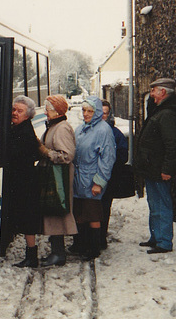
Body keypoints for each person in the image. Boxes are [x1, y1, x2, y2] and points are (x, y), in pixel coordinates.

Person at [134, 78, 176, 254]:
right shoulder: (161, 110)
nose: (151, 94)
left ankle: (164, 242)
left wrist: (167, 170)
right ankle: (156, 237)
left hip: (159, 170)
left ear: (163, 92)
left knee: (162, 204)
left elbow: (173, 145)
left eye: (154, 91)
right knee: (154, 204)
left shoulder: (168, 114)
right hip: (152, 168)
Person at [71, 96, 116, 260]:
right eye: (84, 110)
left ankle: (93, 248)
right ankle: (81, 245)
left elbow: (107, 158)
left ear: (97, 112)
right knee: (80, 213)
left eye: (90, 111)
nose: (86, 114)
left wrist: (99, 182)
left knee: (93, 214)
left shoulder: (103, 130)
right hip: (79, 179)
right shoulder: (82, 128)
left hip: (91, 179)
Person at [37, 95, 78, 267]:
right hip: (52, 174)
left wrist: (46, 153)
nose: (45, 112)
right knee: (53, 211)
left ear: (58, 111)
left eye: (48, 109)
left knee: (57, 210)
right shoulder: (54, 126)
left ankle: (58, 253)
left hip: (58, 175)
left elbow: (67, 155)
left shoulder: (61, 128)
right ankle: (56, 251)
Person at [6, 96, 42, 268]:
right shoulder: (18, 128)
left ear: (28, 115)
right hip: (22, 179)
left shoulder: (24, 132)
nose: (14, 113)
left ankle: (32, 256)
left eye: (19, 111)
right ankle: (31, 255)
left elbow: (10, 153)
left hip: (25, 181)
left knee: (28, 219)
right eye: (13, 110)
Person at [99, 99, 129, 250]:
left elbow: (123, 156)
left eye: (105, 113)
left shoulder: (116, 134)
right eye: (100, 112)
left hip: (109, 177)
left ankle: (101, 237)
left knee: (104, 207)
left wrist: (109, 161)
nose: (103, 116)